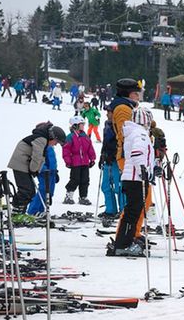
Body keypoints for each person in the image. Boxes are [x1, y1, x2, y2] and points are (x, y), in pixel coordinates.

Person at [108, 106, 155, 257]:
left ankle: (123, 241)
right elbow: (137, 153)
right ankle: (124, 244)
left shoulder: (133, 132)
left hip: (132, 177)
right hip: (136, 178)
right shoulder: (140, 133)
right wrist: (143, 170)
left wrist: (152, 168)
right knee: (133, 212)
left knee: (131, 212)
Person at [99, 78, 142, 223]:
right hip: (118, 154)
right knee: (110, 185)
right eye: (136, 93)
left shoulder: (125, 108)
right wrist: (104, 154)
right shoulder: (123, 109)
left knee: (120, 186)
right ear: (129, 94)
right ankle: (114, 210)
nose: (108, 114)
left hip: (118, 154)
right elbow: (125, 135)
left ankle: (123, 210)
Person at [6, 122, 63, 212]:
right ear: (53, 137)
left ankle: (20, 211)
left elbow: (40, 158)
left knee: (30, 191)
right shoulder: (42, 139)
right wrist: (34, 169)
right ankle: (17, 212)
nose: (55, 144)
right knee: (26, 190)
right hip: (20, 164)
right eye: (57, 141)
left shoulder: (43, 139)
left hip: (24, 164)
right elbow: (37, 156)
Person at [61, 116, 97, 205]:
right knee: (75, 179)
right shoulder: (70, 137)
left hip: (85, 162)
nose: (83, 126)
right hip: (75, 161)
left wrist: (92, 158)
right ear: (75, 125)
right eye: (81, 124)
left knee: (85, 180)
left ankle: (83, 197)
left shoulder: (85, 136)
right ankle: (69, 195)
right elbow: (66, 149)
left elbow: (90, 148)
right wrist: (68, 161)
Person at [27, 133, 60, 216]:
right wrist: (43, 169)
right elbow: (40, 159)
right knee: (43, 190)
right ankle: (33, 211)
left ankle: (41, 210)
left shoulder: (50, 147)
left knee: (50, 192)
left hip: (51, 172)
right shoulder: (44, 146)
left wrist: (55, 172)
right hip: (44, 172)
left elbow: (52, 161)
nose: (56, 144)